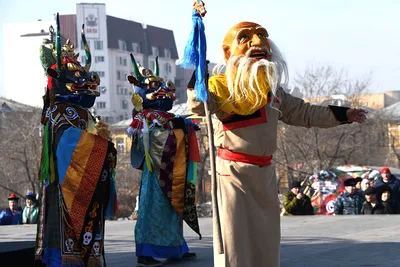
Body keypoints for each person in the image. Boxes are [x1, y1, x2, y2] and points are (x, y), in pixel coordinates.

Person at [187, 21, 367, 267]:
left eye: (262, 36)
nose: (258, 43)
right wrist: (197, 79)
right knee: (235, 243)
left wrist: (344, 115)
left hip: (265, 175)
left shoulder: (272, 92)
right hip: (232, 175)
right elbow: (198, 106)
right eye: (246, 38)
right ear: (228, 52)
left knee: (266, 243)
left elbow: (305, 112)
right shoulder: (220, 87)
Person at [35, 14, 118, 267]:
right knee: (66, 225)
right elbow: (72, 144)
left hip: (71, 181)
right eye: (77, 79)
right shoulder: (63, 111)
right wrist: (103, 148)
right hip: (68, 182)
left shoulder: (72, 111)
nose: (87, 82)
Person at [127, 54, 200, 266]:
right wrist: (179, 132)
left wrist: (186, 129)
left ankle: (176, 248)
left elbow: (175, 129)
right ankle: (146, 251)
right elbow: (147, 139)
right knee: (153, 209)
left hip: (173, 170)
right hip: (156, 174)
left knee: (173, 208)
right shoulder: (144, 117)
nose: (162, 90)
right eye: (154, 87)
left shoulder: (169, 117)